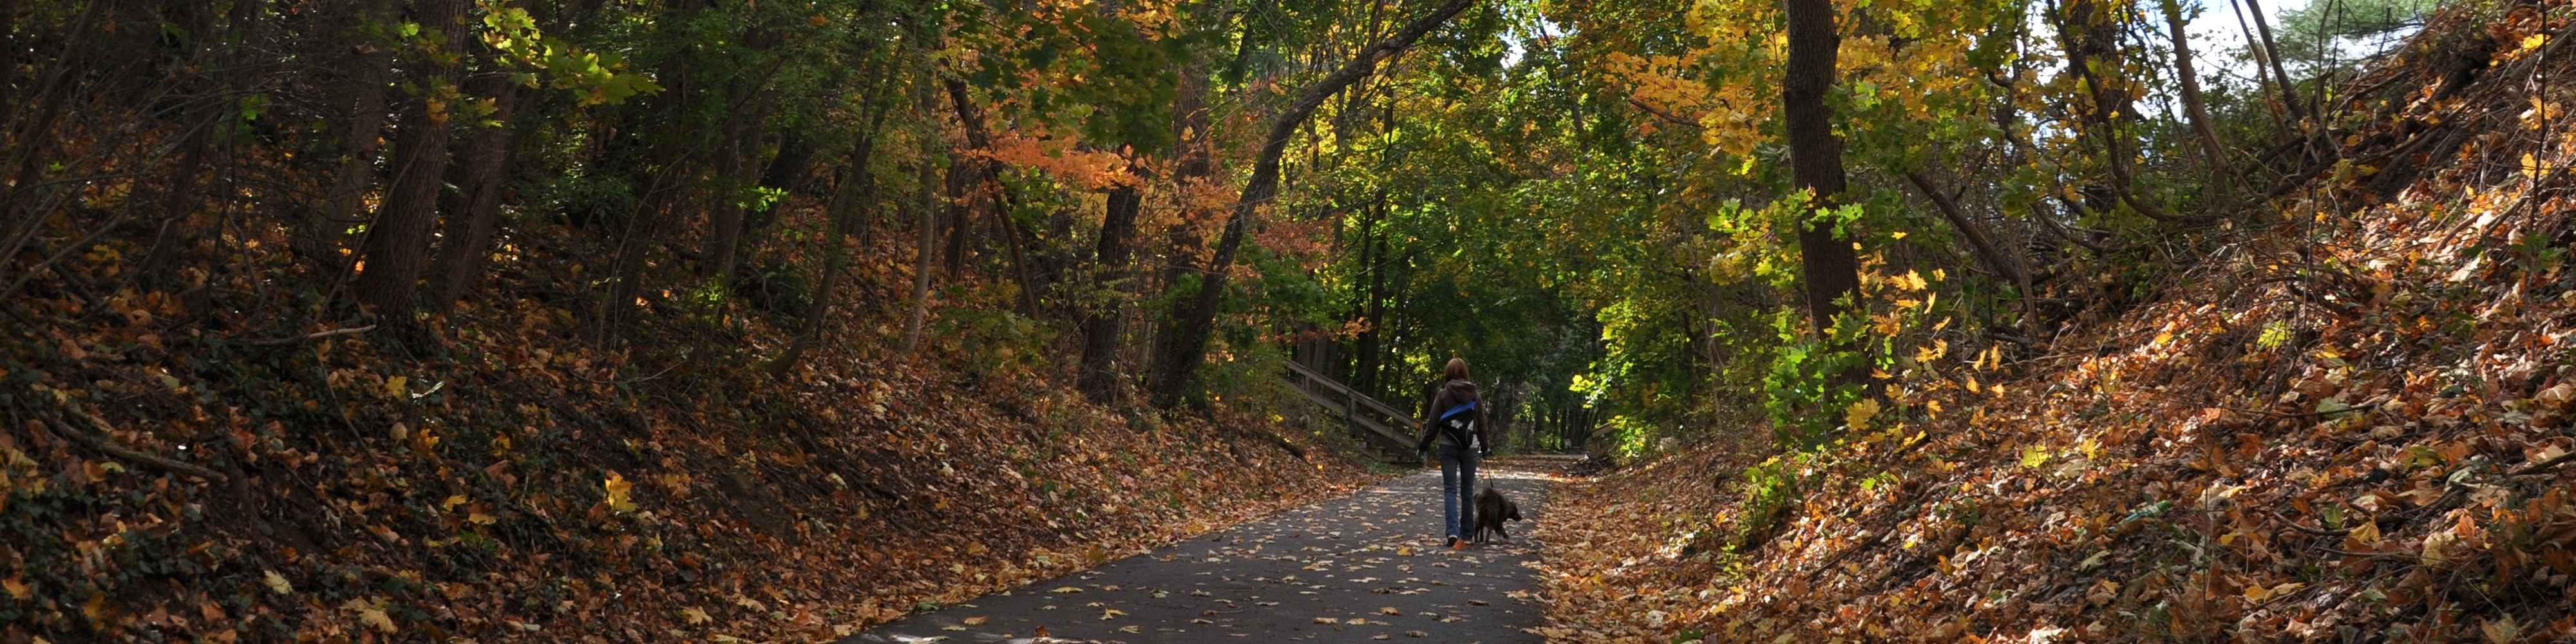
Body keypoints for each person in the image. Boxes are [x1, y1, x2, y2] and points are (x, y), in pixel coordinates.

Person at [1415, 357, 1490, 549]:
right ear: (1465, 372)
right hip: (1470, 446)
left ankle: (1452, 533)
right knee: (1467, 490)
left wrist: (1424, 445)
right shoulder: (1475, 394)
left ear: (1448, 374)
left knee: (1450, 490)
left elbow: (1433, 424)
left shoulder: (1443, 394)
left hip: (1448, 445)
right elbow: (1482, 424)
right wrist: (1486, 447)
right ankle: (1467, 535)